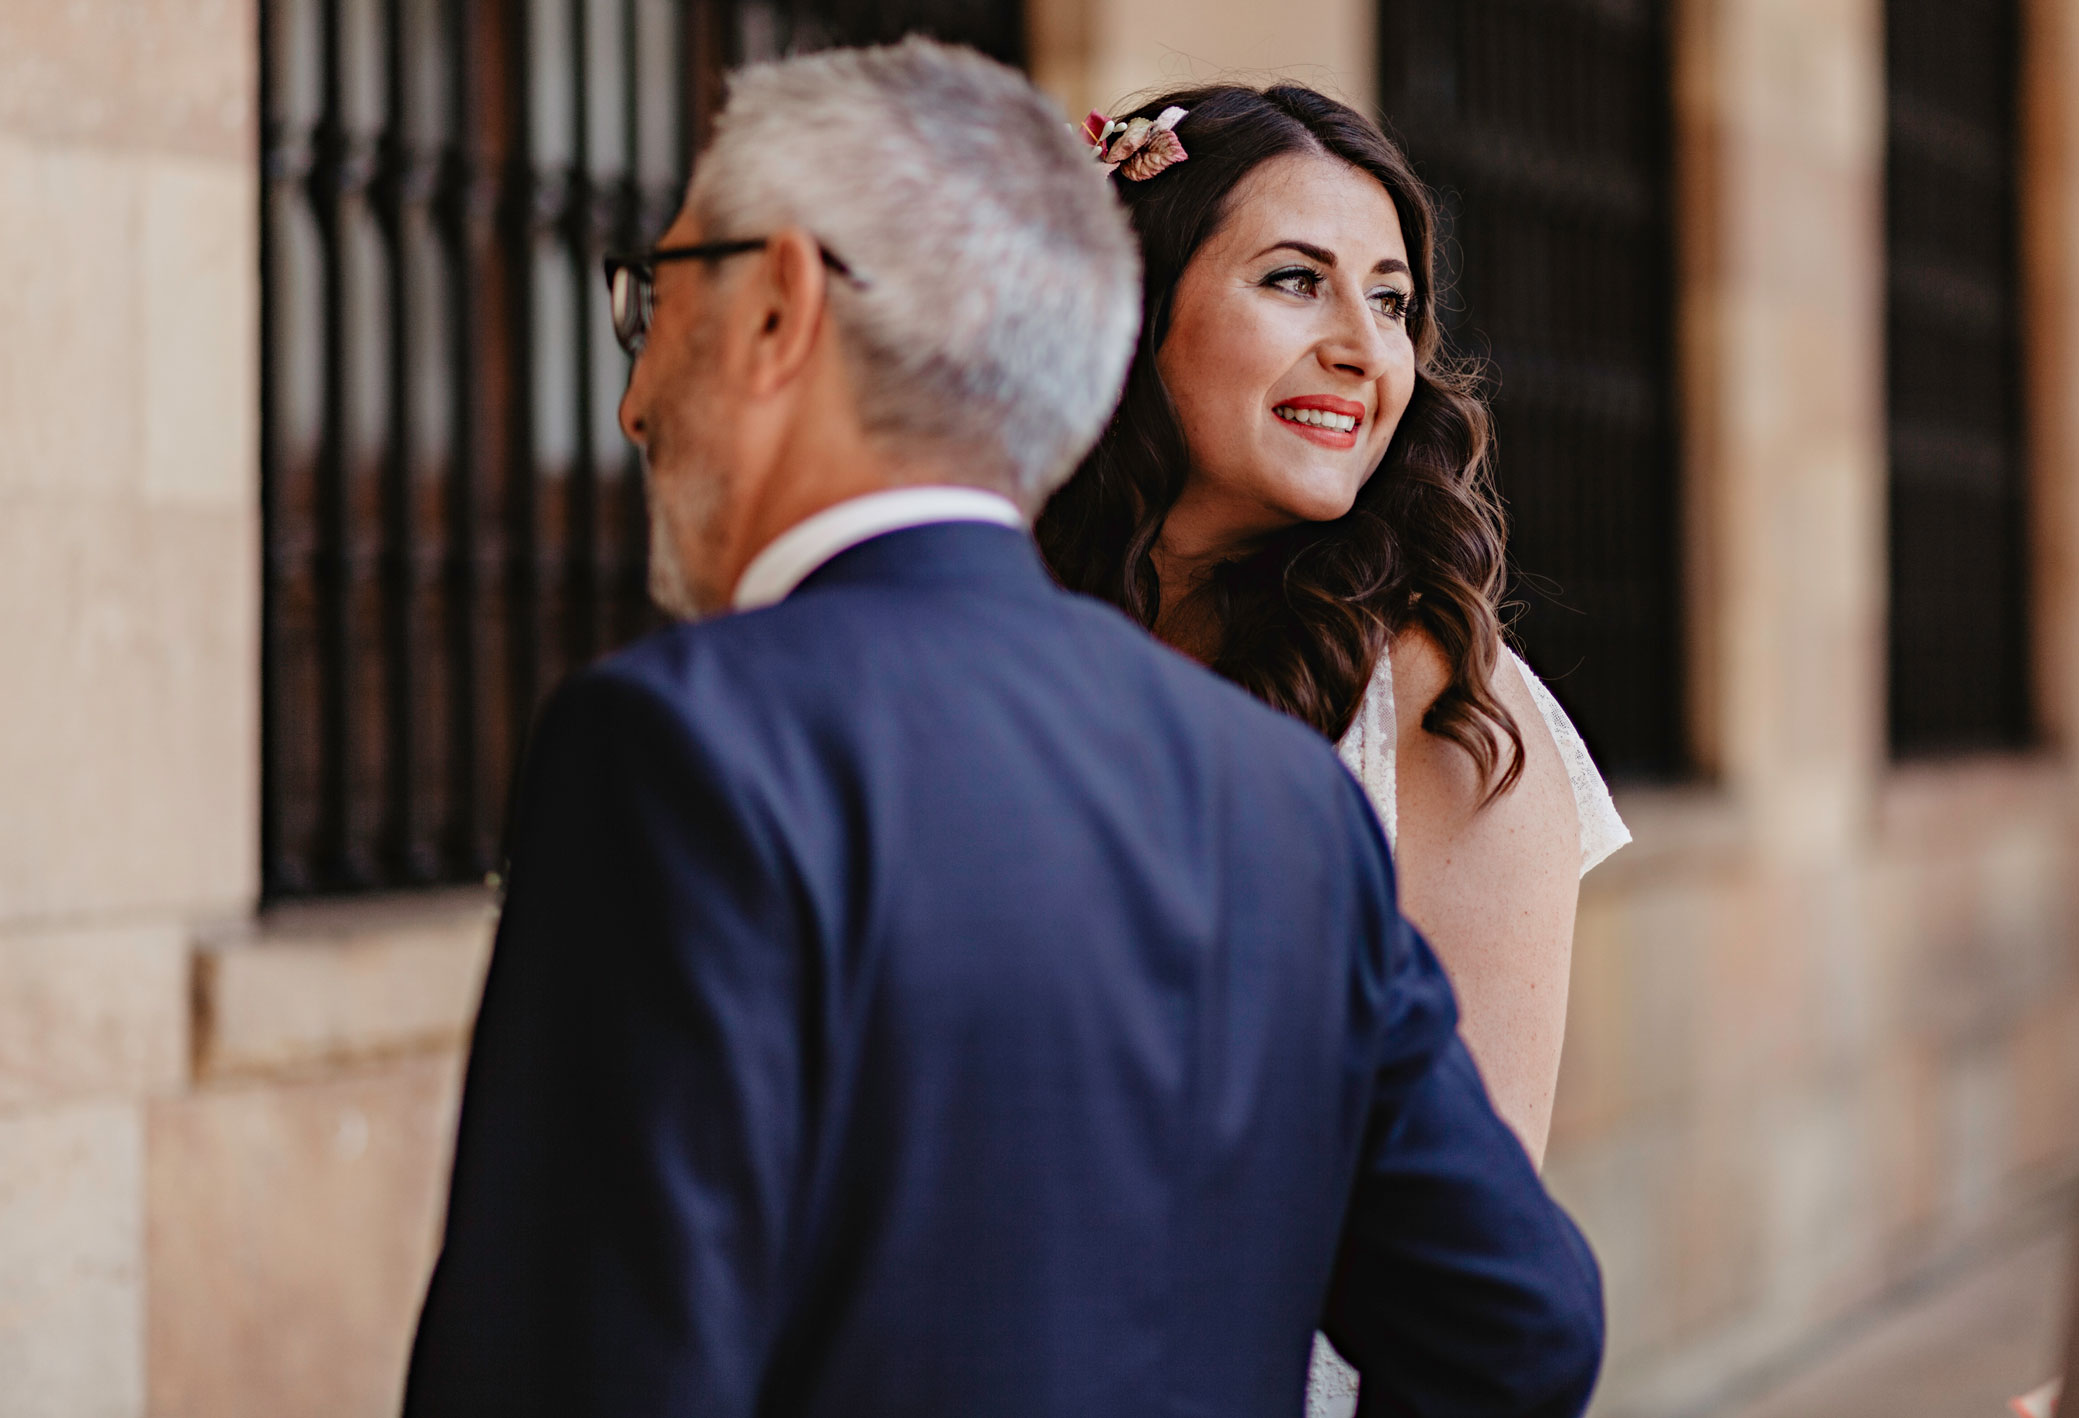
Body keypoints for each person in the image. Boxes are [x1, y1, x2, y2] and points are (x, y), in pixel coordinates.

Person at [402, 39, 1603, 1418]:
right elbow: (1516, 1327)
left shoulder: (683, 747)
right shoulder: (1280, 794)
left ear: (781, 305)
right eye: (1294, 281)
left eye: (657, 306)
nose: (634, 399)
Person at [1038, 83, 1632, 1417]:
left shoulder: (1449, 715)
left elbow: (1474, 1296)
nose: (1363, 347)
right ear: (1128, 305)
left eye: (1390, 301)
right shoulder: (997, 633)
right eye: (1295, 281)